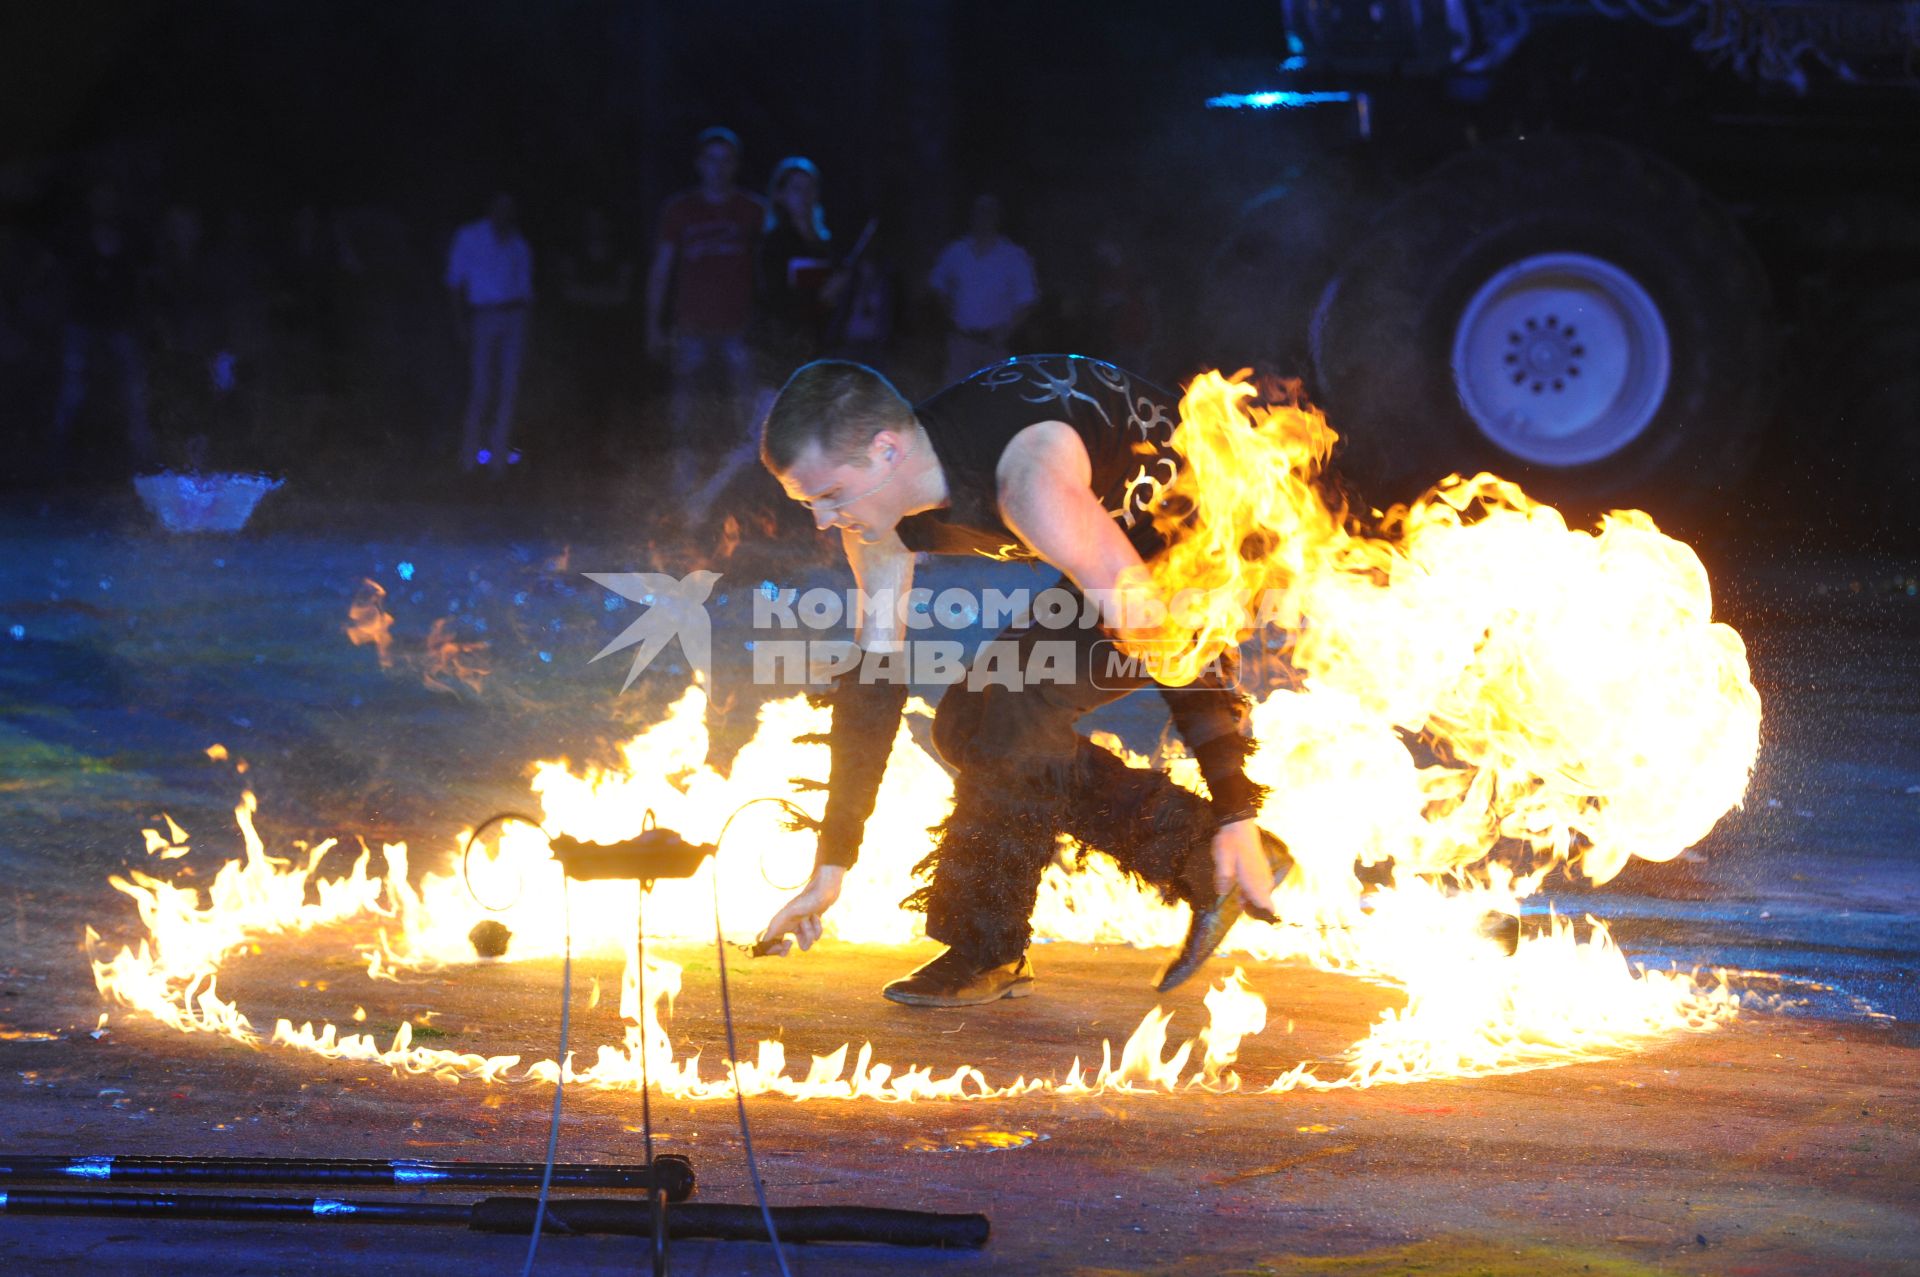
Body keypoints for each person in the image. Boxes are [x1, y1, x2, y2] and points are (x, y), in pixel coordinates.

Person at [753, 354, 1291, 1007]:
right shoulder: (880, 522)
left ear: (885, 449)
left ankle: (990, 946)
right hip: (1121, 548)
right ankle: (1200, 861)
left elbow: (1159, 629)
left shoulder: (1030, 483)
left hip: (1226, 542)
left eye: (830, 496)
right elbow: (873, 680)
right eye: (807, 503)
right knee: (968, 722)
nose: (821, 520)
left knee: (1015, 706)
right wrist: (831, 863)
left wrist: (1237, 804)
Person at [646, 127, 764, 494]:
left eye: (725, 160)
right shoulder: (680, 210)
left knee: (745, 410)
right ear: (699, 164)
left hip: (738, 327)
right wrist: (653, 325)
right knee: (686, 409)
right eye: (711, 160)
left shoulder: (753, 210)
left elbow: (767, 269)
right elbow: (662, 268)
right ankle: (685, 487)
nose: (718, 168)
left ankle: (744, 486)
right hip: (691, 326)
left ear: (735, 165)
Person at [51, 181, 155, 472]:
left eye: (109, 197)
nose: (104, 203)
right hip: (82, 323)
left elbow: (138, 280)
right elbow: (69, 278)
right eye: (98, 197)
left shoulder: (130, 235)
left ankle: (143, 461)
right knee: (72, 391)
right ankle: (58, 458)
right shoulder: (77, 233)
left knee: (134, 393)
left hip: (121, 324)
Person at [446, 192, 533, 474]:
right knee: (482, 388)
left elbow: (526, 290)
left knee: (509, 388)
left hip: (514, 316)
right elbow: (455, 282)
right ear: (490, 207)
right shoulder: (469, 236)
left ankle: (498, 464)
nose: (505, 212)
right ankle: (469, 459)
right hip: (483, 315)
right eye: (500, 206)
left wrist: (525, 324)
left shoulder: (519, 244)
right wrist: (459, 323)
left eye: (510, 207)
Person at [927, 194, 1038, 383]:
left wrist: (1006, 331)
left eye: (989, 213)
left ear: (997, 218)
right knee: (957, 394)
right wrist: (948, 312)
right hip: (961, 341)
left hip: (994, 345)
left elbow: (1027, 300)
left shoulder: (1013, 256)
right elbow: (937, 283)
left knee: (993, 395)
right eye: (979, 212)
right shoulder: (957, 251)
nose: (984, 218)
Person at [754, 156, 842, 368]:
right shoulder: (774, 242)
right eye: (797, 189)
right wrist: (820, 296)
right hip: (785, 347)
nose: (805, 195)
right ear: (780, 194)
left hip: (823, 343)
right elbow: (773, 298)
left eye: (810, 188)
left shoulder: (826, 244)